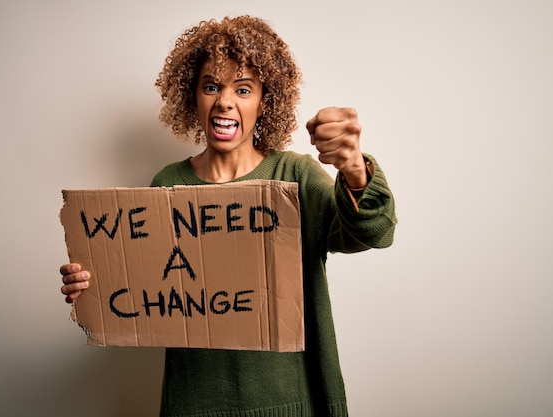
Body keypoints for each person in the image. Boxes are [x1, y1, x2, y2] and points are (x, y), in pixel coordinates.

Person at [60, 15, 396, 417]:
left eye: (243, 88)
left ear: (264, 101)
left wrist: (355, 170)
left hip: (292, 403)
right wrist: (94, 284)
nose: (224, 101)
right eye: (211, 86)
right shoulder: (167, 184)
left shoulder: (294, 176)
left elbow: (370, 233)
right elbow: (147, 292)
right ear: (193, 97)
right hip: (194, 405)